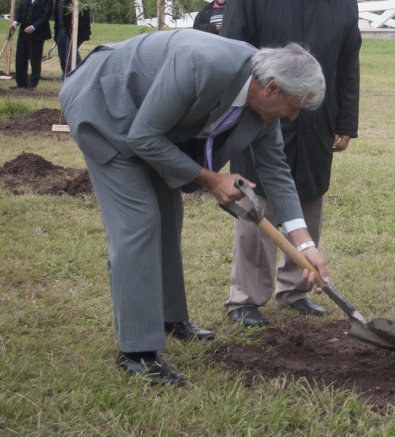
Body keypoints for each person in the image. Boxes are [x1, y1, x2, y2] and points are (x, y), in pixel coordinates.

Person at [59, 30, 331, 386]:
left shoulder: (262, 106)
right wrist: (210, 179)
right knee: (140, 222)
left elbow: (276, 171)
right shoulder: (202, 65)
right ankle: (138, 353)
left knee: (168, 216)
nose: (292, 118)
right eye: (294, 107)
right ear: (272, 88)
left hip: (150, 124)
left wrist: (305, 244)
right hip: (106, 107)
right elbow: (142, 138)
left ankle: (171, 319)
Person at [220, 0, 361, 326]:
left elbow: (348, 64)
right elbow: (232, 55)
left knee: (309, 196)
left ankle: (295, 288)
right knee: (257, 200)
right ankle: (246, 298)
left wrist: (345, 121)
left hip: (316, 121)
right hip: (258, 115)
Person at [9, 0, 53, 90]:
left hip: (37, 33)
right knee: (21, 57)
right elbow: (21, 8)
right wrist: (15, 22)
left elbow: (46, 14)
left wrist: (34, 27)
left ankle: (32, 84)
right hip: (24, 30)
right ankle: (21, 82)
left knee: (35, 58)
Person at [51, 0, 92, 79]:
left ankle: (77, 76)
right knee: (62, 56)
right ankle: (65, 75)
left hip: (72, 31)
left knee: (71, 55)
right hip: (60, 31)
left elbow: (85, 11)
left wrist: (77, 31)